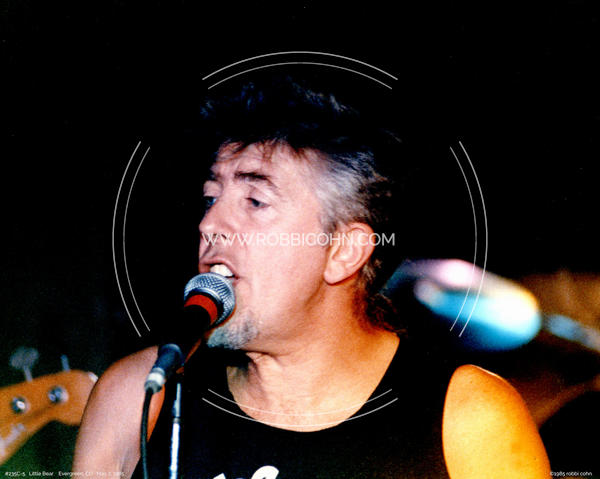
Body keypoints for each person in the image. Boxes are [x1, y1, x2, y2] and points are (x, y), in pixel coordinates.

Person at [72, 74, 550, 479]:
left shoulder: (469, 417)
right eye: (211, 198)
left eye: (255, 201)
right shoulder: (140, 393)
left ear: (343, 252)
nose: (210, 224)